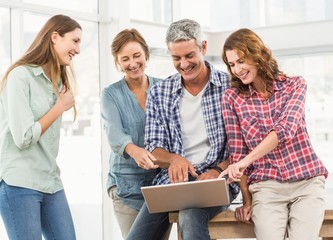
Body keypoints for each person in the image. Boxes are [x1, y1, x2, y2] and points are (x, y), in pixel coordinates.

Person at [126, 19, 242, 240]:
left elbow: (244, 146)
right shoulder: (160, 92)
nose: (184, 64)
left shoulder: (231, 86)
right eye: (176, 58)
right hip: (172, 184)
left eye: (189, 55)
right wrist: (173, 159)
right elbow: (154, 148)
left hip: (218, 181)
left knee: (190, 215)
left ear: (203, 47)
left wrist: (218, 171)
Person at [219, 28, 329, 240]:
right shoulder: (232, 98)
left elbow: (285, 129)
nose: (237, 70)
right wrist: (247, 200)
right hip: (266, 187)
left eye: (241, 61)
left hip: (306, 182)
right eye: (232, 65)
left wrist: (245, 161)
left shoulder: (295, 85)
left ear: (258, 55)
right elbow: (237, 151)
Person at [0, 14, 81, 240]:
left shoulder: (57, 81)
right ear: (55, 37)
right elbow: (23, 137)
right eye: (75, 41)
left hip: (50, 180)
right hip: (19, 181)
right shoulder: (20, 76)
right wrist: (59, 107)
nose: (78, 49)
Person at [100, 28, 161, 238]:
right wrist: (135, 151)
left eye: (137, 56)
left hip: (159, 185)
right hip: (126, 187)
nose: (133, 63)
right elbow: (114, 133)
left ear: (146, 55)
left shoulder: (162, 88)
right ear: (118, 62)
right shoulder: (110, 94)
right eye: (125, 59)